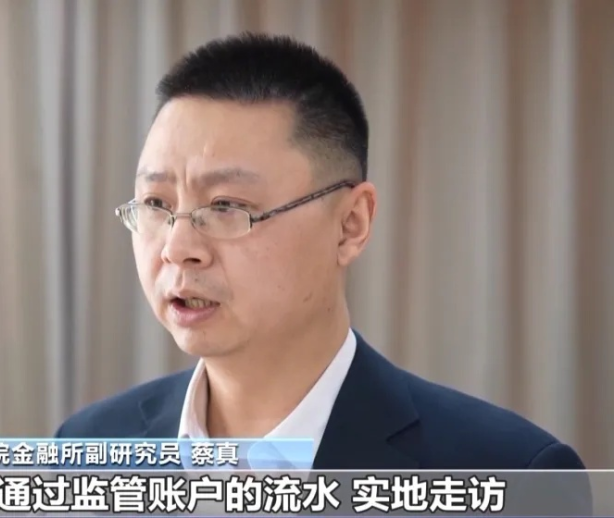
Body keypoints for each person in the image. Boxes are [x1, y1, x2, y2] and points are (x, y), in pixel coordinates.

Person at [54, 32, 591, 479]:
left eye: (227, 206)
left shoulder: (511, 473)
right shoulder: (88, 449)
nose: (178, 248)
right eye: (156, 204)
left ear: (350, 225)